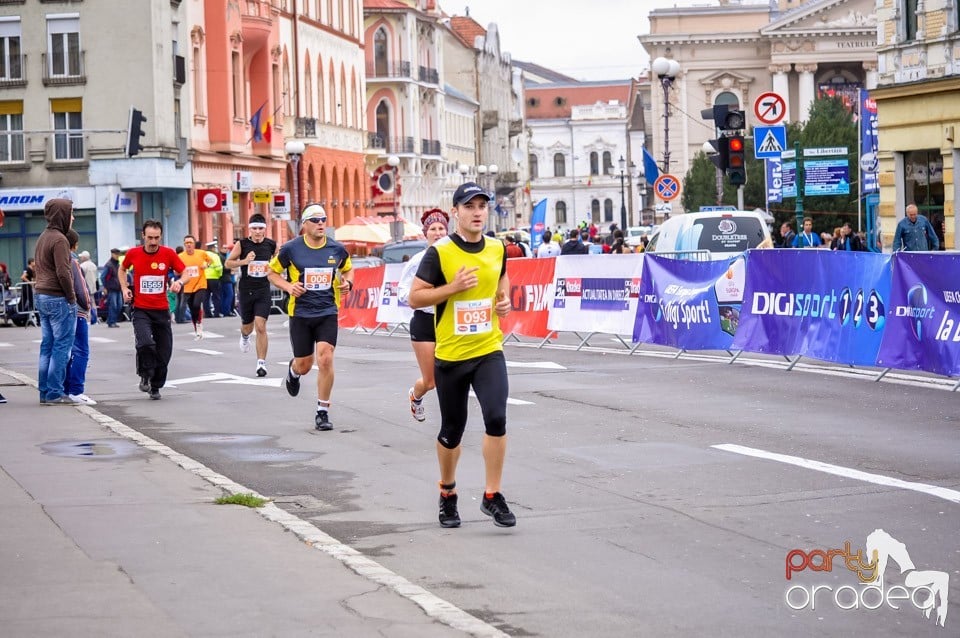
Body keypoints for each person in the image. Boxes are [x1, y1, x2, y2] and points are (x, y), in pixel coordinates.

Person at [408, 181, 516, 529]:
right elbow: (415, 298)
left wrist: (504, 301)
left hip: (488, 348)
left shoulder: (497, 248)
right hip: (452, 355)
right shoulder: (439, 252)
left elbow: (502, 280)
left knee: (496, 418)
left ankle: (492, 496)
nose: (477, 212)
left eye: (482, 206)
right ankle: (447, 492)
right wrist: (452, 289)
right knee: (452, 431)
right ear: (455, 212)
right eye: (469, 207)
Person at [268, 204, 354, 432]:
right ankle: (294, 371)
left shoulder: (336, 248)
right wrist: (288, 286)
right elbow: (272, 272)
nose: (320, 223)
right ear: (304, 225)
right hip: (301, 313)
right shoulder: (291, 249)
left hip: (327, 311)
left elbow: (347, 269)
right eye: (315, 220)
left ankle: (322, 412)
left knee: (325, 358)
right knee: (305, 365)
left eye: (323, 219)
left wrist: (348, 283)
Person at [120, 220, 191, 400]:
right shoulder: (133, 253)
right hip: (141, 309)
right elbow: (122, 269)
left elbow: (186, 273)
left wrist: (179, 282)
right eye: (150, 237)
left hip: (161, 310)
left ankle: (156, 385)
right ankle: (145, 373)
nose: (153, 242)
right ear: (143, 236)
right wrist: (124, 288)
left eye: (157, 238)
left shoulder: (168, 254)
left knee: (164, 352)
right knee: (145, 343)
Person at [398, 208, 449, 422]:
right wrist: (425, 296)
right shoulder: (418, 261)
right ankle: (415, 396)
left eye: (442, 229)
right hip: (424, 321)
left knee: (454, 375)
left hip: (449, 321)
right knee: (430, 382)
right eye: (433, 229)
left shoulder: (456, 258)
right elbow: (402, 293)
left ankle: (452, 420)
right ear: (425, 233)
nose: (438, 233)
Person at [34, 198, 77, 405]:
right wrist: (71, 296)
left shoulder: (43, 236)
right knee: (61, 346)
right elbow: (63, 272)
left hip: (41, 295)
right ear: (63, 215)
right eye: (71, 213)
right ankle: (54, 392)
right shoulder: (60, 240)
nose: (73, 218)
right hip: (58, 297)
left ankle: (44, 391)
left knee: (47, 346)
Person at [225, 213, 277, 377]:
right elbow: (228, 263)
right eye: (254, 228)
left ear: (265, 229)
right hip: (246, 290)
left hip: (263, 290)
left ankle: (261, 363)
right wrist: (244, 261)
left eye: (260, 228)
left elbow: (278, 263)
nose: (257, 232)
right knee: (248, 326)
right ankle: (244, 336)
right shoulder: (242, 244)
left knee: (261, 326)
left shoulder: (271, 245)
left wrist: (274, 268)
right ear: (250, 229)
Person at [63, 230, 95, 405]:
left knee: (65, 351)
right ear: (75, 245)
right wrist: (88, 306)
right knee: (81, 351)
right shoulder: (73, 261)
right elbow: (82, 289)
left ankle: (64, 388)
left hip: (62, 311)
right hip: (77, 311)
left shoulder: (55, 259)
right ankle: (76, 390)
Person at [178, 235, 214, 340]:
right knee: (193, 309)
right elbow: (176, 268)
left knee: (197, 304)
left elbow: (210, 261)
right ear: (184, 244)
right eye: (186, 243)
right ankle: (197, 328)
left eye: (190, 242)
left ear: (194, 244)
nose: (189, 245)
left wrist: (206, 266)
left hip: (200, 284)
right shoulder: (180, 256)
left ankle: (199, 323)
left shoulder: (201, 253)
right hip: (188, 285)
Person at [101, 248, 124, 327]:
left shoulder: (118, 264)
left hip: (118, 288)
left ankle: (112, 320)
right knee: (113, 305)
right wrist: (105, 287)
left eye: (118, 254)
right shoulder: (109, 265)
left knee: (120, 305)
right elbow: (102, 277)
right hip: (111, 288)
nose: (117, 256)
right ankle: (111, 321)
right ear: (112, 254)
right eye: (116, 254)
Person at [78, 250, 99, 324]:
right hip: (93, 287)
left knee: (87, 304)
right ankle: (95, 319)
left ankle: (88, 319)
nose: (80, 258)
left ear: (84, 257)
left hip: (85, 287)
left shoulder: (82, 266)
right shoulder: (93, 265)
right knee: (93, 303)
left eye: (81, 257)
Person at [204, 240, 223, 318]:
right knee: (216, 296)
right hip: (214, 278)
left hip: (204, 278)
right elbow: (219, 268)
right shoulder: (215, 256)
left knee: (206, 297)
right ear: (212, 248)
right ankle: (216, 313)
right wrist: (219, 275)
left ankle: (207, 314)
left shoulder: (203, 255)